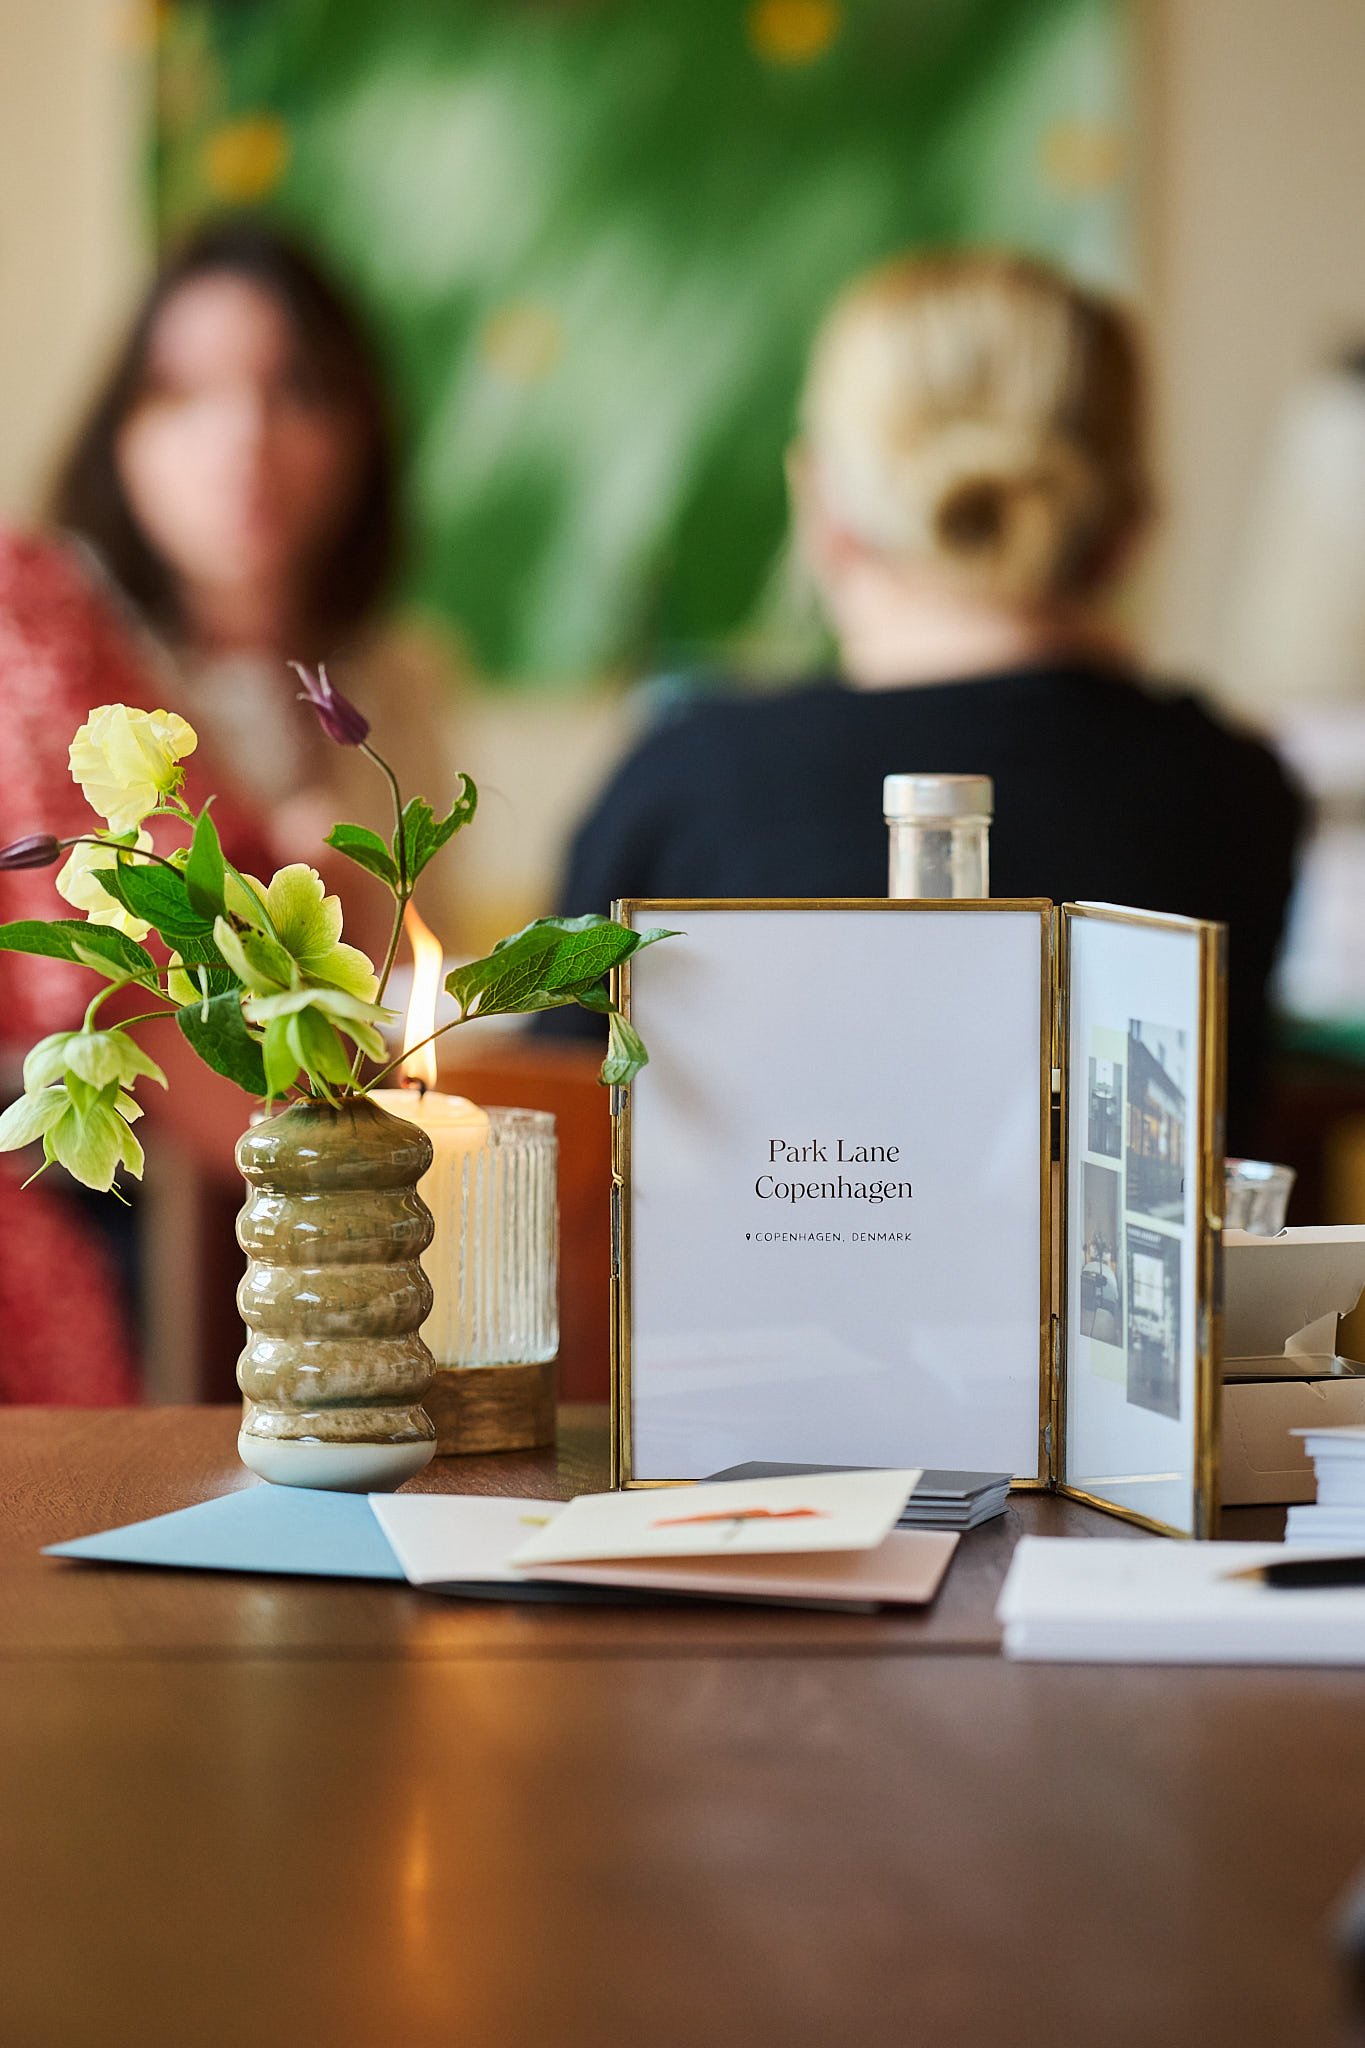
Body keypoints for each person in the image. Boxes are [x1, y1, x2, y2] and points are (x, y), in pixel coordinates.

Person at [546, 251, 1303, 1149]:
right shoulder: (1235, 789)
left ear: (823, 505)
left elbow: (556, 1132)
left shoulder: (684, 780)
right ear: (1125, 527)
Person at [48, 214, 463, 952]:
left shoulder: (404, 682)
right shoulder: (48, 666)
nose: (244, 435)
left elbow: (427, 992)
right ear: (120, 437)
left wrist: (368, 922)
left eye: (297, 390)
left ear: (361, 432)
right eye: (184, 393)